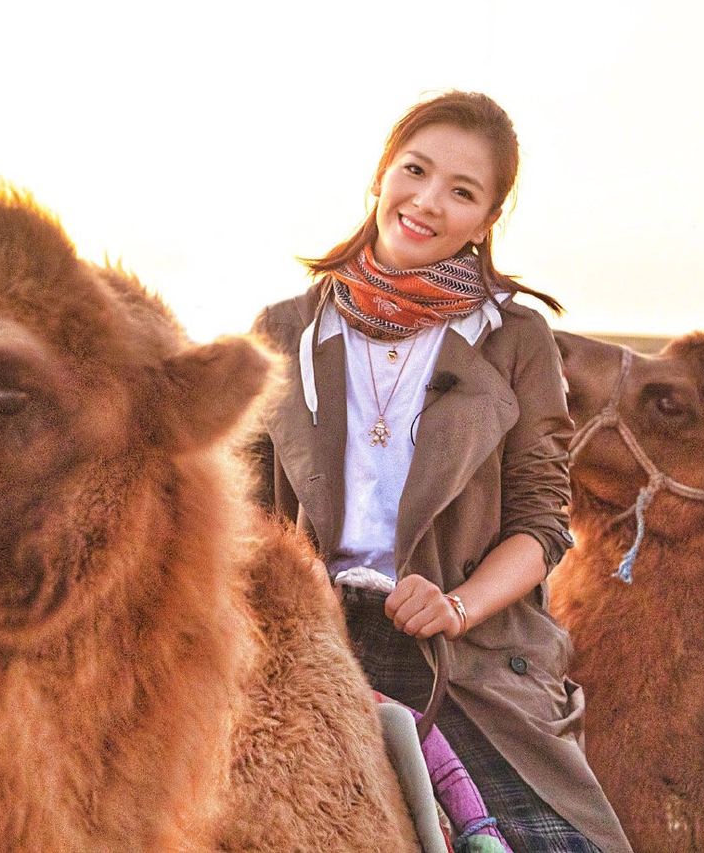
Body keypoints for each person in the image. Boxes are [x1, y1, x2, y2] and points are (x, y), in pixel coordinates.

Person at [251, 90, 633, 853]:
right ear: (381, 175)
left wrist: (456, 606)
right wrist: (297, 596)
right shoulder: (284, 332)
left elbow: (541, 523)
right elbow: (241, 514)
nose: (427, 202)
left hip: (467, 649)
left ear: (488, 220)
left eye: (462, 192)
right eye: (415, 171)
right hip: (308, 636)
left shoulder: (514, 337)